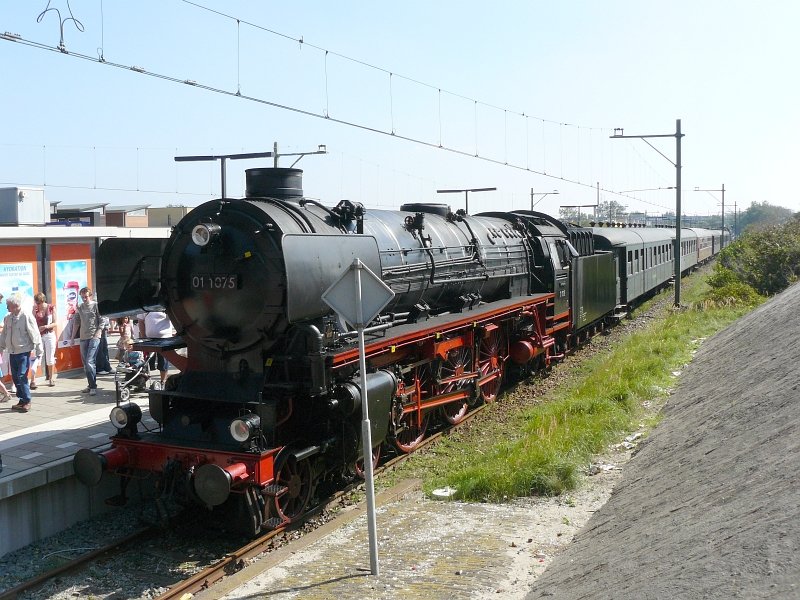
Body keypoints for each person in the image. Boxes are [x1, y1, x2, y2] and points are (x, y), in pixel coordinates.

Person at [0, 292, 43, 412]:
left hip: (23, 351)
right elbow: (4, 336)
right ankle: (22, 400)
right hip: (12, 352)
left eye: (8, 305)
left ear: (15, 305)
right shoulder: (8, 318)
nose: (7, 307)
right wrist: (1, 348)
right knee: (15, 377)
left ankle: (27, 400)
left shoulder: (26, 316)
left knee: (21, 376)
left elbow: (35, 334)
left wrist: (39, 350)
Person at [72, 287, 103, 396]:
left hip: (94, 336)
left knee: (90, 361)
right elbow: (76, 322)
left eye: (86, 297)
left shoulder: (95, 305)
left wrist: (98, 332)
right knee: (86, 363)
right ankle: (91, 384)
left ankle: (93, 387)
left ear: (90, 296)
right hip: (83, 337)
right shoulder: (80, 307)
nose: (84, 299)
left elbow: (102, 319)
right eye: (82, 297)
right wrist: (72, 338)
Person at [137, 311, 172, 386]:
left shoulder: (165, 304)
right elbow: (140, 321)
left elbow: (174, 318)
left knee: (164, 363)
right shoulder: (144, 306)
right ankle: (142, 383)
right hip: (149, 340)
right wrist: (144, 338)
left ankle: (163, 383)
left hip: (165, 339)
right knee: (147, 363)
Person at [32, 292, 57, 387]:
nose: (38, 305)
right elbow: (31, 322)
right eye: (36, 303)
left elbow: (55, 323)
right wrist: (33, 312)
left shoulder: (51, 307)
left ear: (43, 301)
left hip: (49, 334)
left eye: (39, 303)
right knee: (37, 357)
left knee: (50, 357)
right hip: (38, 336)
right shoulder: (35, 309)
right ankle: (33, 380)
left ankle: (51, 378)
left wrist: (45, 326)